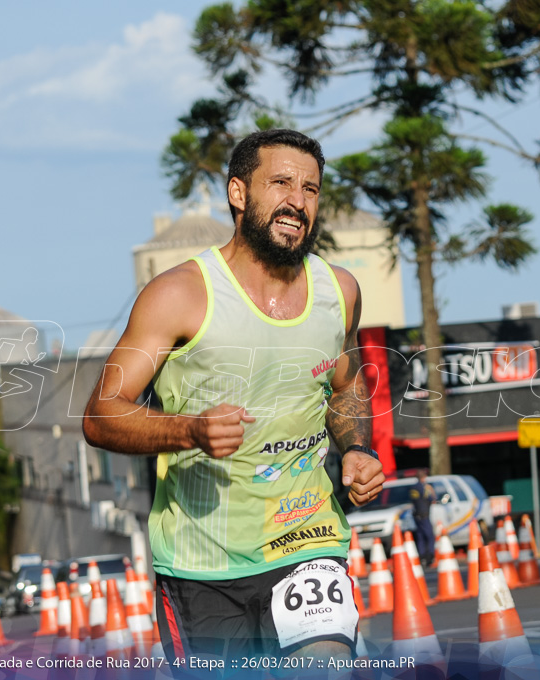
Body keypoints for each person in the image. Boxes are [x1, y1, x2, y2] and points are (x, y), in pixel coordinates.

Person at [82, 129, 385, 662]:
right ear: (239, 194)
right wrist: (188, 430)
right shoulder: (179, 295)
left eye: (311, 189)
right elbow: (101, 415)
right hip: (205, 565)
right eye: (282, 183)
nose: (297, 201)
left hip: (308, 542)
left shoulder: (340, 291)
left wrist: (357, 448)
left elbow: (346, 384)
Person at [408, 469, 437, 566]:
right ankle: (430, 557)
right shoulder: (425, 488)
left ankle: (422, 556)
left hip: (416, 515)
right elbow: (432, 499)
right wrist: (431, 490)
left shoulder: (413, 487)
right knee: (429, 536)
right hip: (424, 515)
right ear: (424, 477)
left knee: (420, 537)